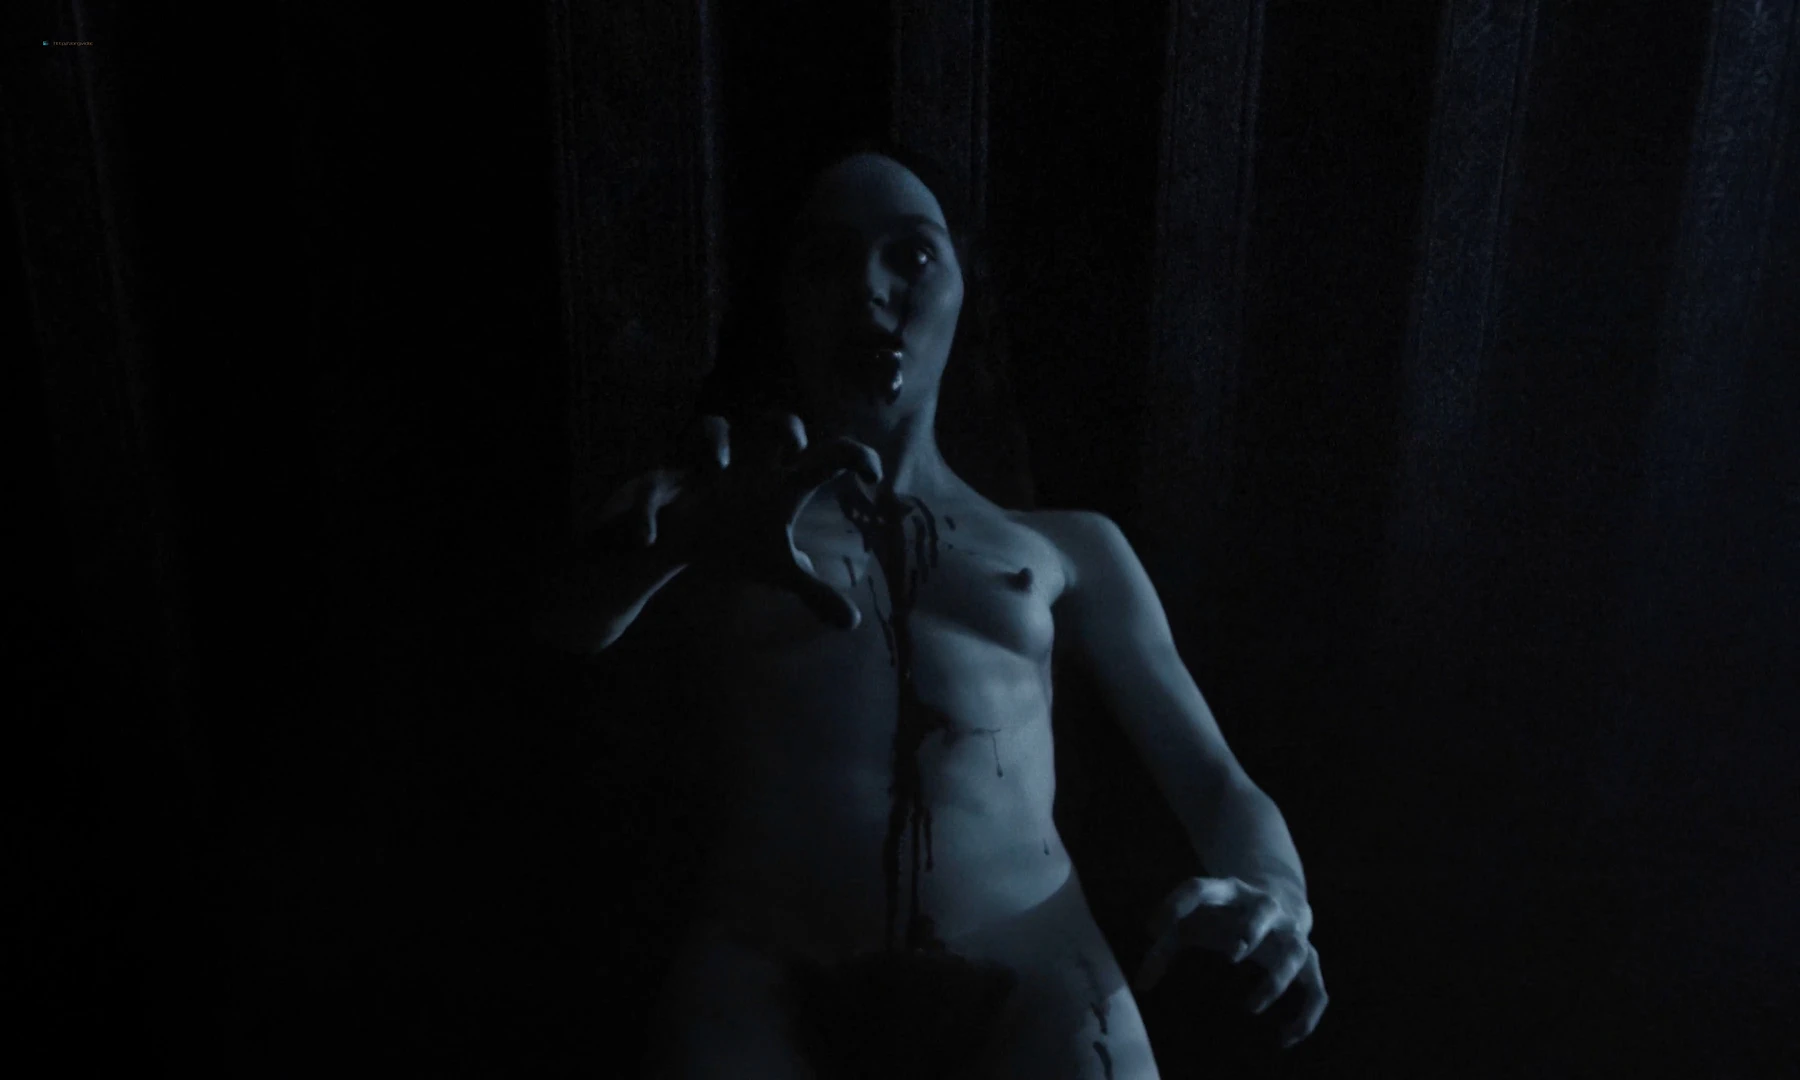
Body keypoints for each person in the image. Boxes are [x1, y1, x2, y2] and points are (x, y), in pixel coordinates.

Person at [534, 140, 1328, 1079]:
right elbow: (554, 634)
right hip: (763, 975)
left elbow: (1216, 782)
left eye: (910, 254)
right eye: (827, 261)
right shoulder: (710, 512)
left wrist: (1276, 892)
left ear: (962, 291)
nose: (870, 288)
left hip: (1039, 979)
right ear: (784, 304)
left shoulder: (1069, 547)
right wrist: (673, 545)